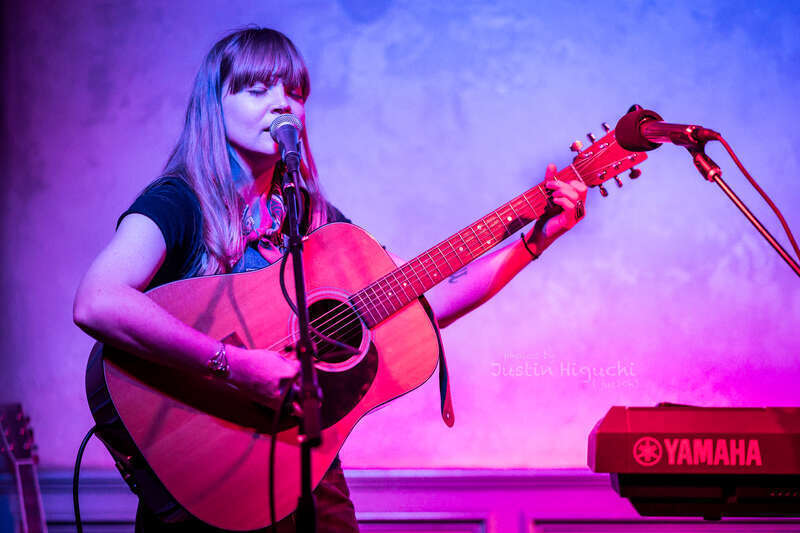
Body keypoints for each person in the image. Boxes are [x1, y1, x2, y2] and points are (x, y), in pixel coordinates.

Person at [73, 27, 587, 533]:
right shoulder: (179, 203)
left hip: (309, 472)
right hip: (210, 481)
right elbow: (98, 301)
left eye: (295, 92)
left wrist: (533, 241)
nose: (283, 104)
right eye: (258, 89)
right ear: (214, 103)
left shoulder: (314, 221)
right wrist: (234, 366)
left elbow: (422, 305)